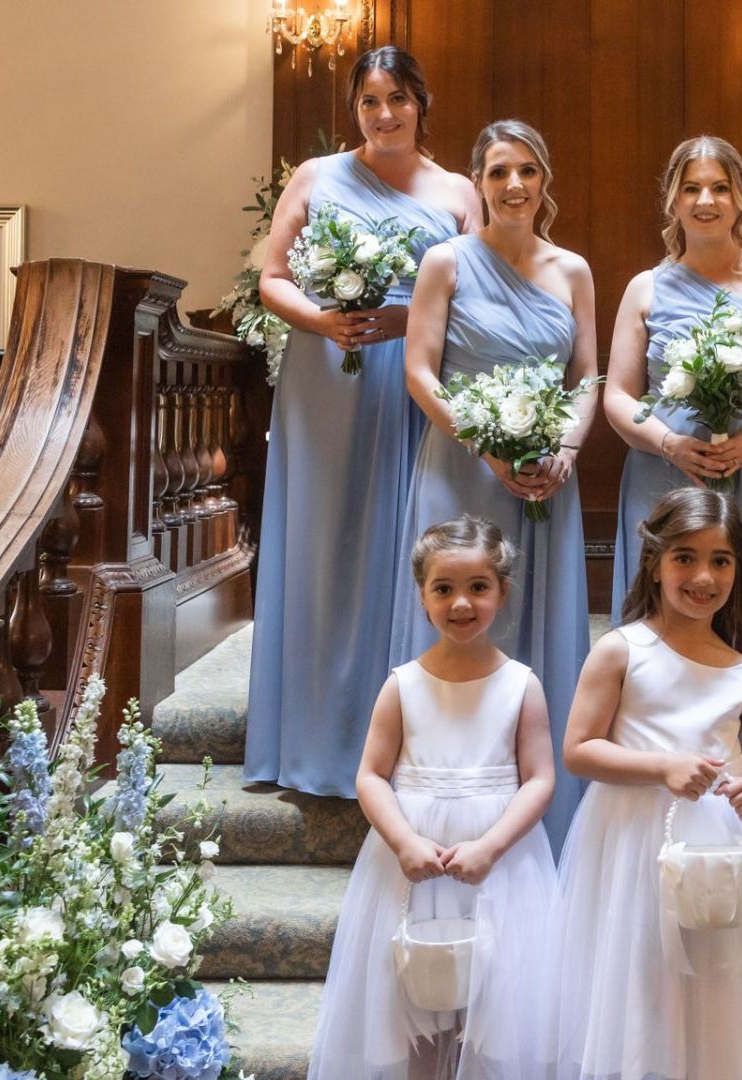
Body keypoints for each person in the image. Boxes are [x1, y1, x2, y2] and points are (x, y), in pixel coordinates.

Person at [245, 45, 481, 795]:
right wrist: (324, 320)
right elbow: (270, 278)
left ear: (422, 104)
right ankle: (312, 743)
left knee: (409, 545)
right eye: (369, 102)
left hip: (413, 378)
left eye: (398, 100)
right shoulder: (316, 178)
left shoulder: (456, 190)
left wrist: (404, 316)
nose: (384, 116)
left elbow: (474, 292)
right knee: (323, 550)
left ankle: (408, 746)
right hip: (328, 380)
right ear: (355, 109)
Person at [554, 488, 742, 1080]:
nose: (703, 576)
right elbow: (578, 749)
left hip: (728, 847)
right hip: (637, 841)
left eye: (721, 560)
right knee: (647, 975)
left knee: (719, 976)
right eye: (685, 557)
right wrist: (661, 767)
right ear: (655, 563)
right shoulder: (621, 650)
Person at [399, 119, 598, 844]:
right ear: (478, 183)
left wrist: (567, 451)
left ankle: (542, 805)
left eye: (527, 172)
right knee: (459, 610)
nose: (514, 186)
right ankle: (443, 802)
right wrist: (485, 445)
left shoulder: (572, 270)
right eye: (498, 173)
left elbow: (586, 379)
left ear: (545, 181)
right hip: (461, 467)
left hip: (548, 475)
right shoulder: (445, 262)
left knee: (533, 617)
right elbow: (419, 373)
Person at [309, 516, 560, 1079]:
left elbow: (540, 778)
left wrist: (492, 847)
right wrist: (403, 841)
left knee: (496, 998)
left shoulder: (521, 685)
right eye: (444, 588)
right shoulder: (403, 684)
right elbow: (371, 775)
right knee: (418, 997)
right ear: (422, 596)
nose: (462, 603)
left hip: (501, 865)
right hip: (415, 861)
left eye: (478, 587)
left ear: (502, 591)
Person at [603, 136, 742, 722]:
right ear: (673, 200)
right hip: (666, 477)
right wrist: (669, 442)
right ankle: (658, 755)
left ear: (741, 199)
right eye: (692, 188)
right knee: (663, 613)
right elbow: (617, 396)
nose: (706, 200)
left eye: (720, 187)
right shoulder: (644, 288)